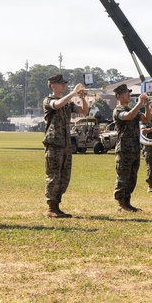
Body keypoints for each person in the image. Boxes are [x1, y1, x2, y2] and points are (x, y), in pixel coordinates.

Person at [42, 74, 89, 218]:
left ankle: (57, 205)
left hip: (65, 144)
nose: (64, 85)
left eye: (64, 83)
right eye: (61, 84)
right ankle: (51, 207)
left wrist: (82, 97)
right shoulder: (48, 100)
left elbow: (84, 111)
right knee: (54, 175)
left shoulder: (67, 103)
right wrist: (73, 93)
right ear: (52, 86)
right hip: (54, 143)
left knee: (64, 176)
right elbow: (57, 105)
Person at [112, 84, 151, 212]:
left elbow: (147, 118)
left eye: (129, 92)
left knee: (132, 177)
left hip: (134, 148)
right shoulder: (118, 110)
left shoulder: (132, 109)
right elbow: (128, 116)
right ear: (119, 96)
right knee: (123, 176)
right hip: (124, 148)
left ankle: (127, 202)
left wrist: (146, 105)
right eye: (126, 93)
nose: (129, 95)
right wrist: (139, 103)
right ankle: (121, 203)